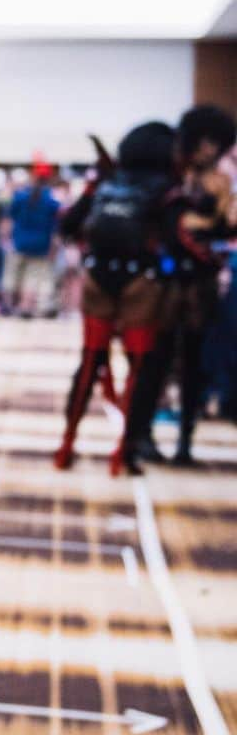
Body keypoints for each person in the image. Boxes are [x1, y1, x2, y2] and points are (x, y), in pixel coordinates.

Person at [53, 122, 175, 475]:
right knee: (140, 370)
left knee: (90, 362)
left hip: (99, 281)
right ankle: (126, 450)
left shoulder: (105, 183)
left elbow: (70, 225)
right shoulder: (167, 190)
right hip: (143, 285)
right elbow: (177, 239)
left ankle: (67, 442)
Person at [126, 104, 235, 466]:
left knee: (194, 366)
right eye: (207, 143)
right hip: (167, 285)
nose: (210, 150)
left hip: (198, 287)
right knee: (154, 363)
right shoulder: (170, 176)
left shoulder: (216, 181)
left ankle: (184, 441)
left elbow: (225, 224)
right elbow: (171, 227)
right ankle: (139, 436)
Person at [5, 161, 60, 317]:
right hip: (41, 244)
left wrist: (7, 239)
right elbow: (55, 226)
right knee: (33, 277)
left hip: (19, 242)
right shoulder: (50, 200)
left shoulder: (20, 196)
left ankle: (12, 306)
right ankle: (26, 306)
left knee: (14, 275)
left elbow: (10, 219)